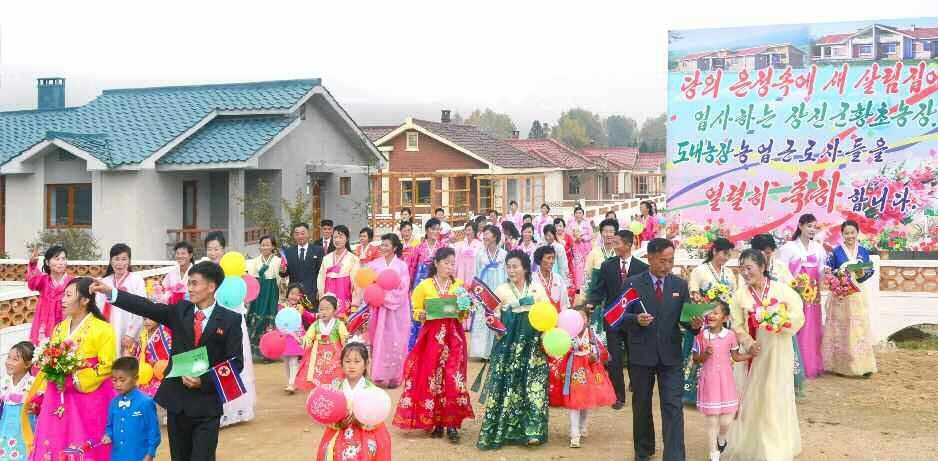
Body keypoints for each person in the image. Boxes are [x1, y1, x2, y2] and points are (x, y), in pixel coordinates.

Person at [90, 261, 244, 461]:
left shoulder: (230, 320)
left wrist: (203, 381)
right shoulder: (181, 311)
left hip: (207, 405)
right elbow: (146, 306)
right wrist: (112, 293)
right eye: (188, 282)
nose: (189, 288)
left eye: (195, 283)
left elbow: (235, 363)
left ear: (211, 286)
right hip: (177, 402)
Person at [621, 238, 700, 461]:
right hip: (641, 355)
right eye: (663, 261)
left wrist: (693, 324)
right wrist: (636, 319)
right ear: (650, 258)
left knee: (673, 407)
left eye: (671, 261)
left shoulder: (679, 285)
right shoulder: (632, 283)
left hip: (671, 355)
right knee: (642, 406)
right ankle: (643, 450)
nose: (667, 266)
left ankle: (674, 455)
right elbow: (616, 318)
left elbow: (685, 321)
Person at [725, 249, 805, 461]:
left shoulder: (783, 291)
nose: (745, 273)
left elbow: (798, 314)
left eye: (749, 268)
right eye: (742, 269)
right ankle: (753, 444)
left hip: (778, 351)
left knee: (775, 395)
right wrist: (748, 343)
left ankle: (774, 447)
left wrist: (783, 323)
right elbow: (737, 325)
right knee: (753, 397)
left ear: (762, 267)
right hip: (754, 354)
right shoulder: (739, 295)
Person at [28, 277, 116, 461]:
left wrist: (74, 379)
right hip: (57, 393)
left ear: (84, 300)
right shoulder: (59, 328)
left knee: (83, 441)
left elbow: (107, 365)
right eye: (63, 295)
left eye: (68, 295)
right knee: (54, 440)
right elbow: (51, 360)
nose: (63, 299)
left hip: (87, 396)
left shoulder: (104, 329)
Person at [393, 248, 474, 443]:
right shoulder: (424, 285)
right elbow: (416, 309)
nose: (449, 266)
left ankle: (452, 424)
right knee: (433, 377)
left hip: (454, 337)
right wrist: (420, 314)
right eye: (446, 262)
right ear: (436, 263)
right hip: (432, 336)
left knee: (453, 377)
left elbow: (464, 313)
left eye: (452, 263)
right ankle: (436, 421)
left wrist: (466, 308)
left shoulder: (460, 286)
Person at [476, 250, 551, 450]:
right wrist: (503, 319)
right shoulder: (501, 290)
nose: (511, 270)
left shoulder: (536, 288)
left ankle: (532, 431)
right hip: (509, 345)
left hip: (533, 345)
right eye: (508, 267)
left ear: (525, 268)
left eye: (515, 266)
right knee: (507, 385)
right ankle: (504, 430)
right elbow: (491, 316)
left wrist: (545, 337)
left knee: (534, 385)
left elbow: (548, 313)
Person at [587, 229, 649, 410]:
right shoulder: (607, 266)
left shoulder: (642, 268)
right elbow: (598, 289)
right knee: (613, 357)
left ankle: (637, 387)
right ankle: (618, 396)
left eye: (617, 243)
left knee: (634, 355)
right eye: (613, 243)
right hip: (613, 317)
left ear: (628, 245)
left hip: (634, 319)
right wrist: (592, 303)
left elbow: (645, 295)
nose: (614, 247)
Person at [746, 233, 804, 398]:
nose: (765, 255)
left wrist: (798, 289)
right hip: (758, 321)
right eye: (761, 251)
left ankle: (781, 388)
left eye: (769, 252)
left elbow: (792, 287)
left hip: (780, 319)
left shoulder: (779, 267)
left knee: (781, 355)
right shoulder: (749, 269)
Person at [692, 300, 751, 461]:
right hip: (709, 381)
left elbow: (736, 356)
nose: (711, 315)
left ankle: (722, 438)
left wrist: (752, 354)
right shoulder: (700, 335)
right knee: (712, 421)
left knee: (726, 419)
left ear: (725, 318)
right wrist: (705, 355)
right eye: (709, 312)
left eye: (716, 313)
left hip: (726, 381)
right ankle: (713, 454)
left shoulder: (730, 335)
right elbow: (696, 358)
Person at [315, 343, 392, 461]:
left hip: (366, 432)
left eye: (357, 361)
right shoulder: (335, 388)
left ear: (366, 364)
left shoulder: (372, 390)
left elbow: (378, 416)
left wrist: (361, 420)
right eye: (347, 361)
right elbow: (327, 413)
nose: (352, 366)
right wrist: (338, 423)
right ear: (341, 364)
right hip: (339, 430)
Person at [684, 238, 736, 404]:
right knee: (701, 354)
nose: (726, 258)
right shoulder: (700, 270)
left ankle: (717, 391)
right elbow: (693, 293)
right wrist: (705, 303)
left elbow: (734, 294)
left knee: (719, 356)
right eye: (724, 253)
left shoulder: (728, 273)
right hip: (703, 319)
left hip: (722, 320)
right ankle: (692, 392)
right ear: (714, 251)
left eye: (729, 255)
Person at [823, 220, 877, 377]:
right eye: (846, 233)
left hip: (857, 293)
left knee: (859, 328)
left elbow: (869, 270)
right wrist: (838, 274)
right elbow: (828, 270)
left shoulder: (864, 251)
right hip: (840, 295)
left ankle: (863, 365)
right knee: (840, 329)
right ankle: (840, 365)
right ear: (842, 234)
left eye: (852, 232)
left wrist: (862, 273)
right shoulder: (835, 252)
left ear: (857, 233)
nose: (850, 236)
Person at [776, 213, 827, 379]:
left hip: (812, 295)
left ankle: (811, 364)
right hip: (794, 293)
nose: (812, 230)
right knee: (796, 325)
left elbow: (821, 272)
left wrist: (824, 277)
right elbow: (781, 271)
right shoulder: (788, 248)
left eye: (814, 227)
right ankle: (794, 366)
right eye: (809, 226)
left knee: (812, 327)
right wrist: (794, 286)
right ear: (800, 226)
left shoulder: (819, 248)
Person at [562, 306, 616, 449]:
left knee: (586, 400)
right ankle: (574, 434)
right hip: (574, 369)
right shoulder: (567, 334)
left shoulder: (591, 334)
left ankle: (582, 424)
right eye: (577, 317)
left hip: (590, 369)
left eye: (583, 317)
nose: (580, 320)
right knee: (575, 401)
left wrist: (595, 357)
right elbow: (561, 352)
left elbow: (602, 352)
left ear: (588, 319)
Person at [366, 234, 412, 389]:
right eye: (382, 245)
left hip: (397, 310)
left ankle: (395, 377)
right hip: (378, 309)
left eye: (386, 245)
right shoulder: (373, 265)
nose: (383, 248)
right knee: (378, 340)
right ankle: (378, 375)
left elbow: (404, 288)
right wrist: (374, 295)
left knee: (396, 342)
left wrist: (384, 296)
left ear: (394, 248)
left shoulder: (401, 266)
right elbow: (367, 283)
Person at [102, 357, 161, 461]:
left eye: (122, 380)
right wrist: (108, 435)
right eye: (114, 380)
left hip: (139, 456)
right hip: (117, 456)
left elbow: (153, 431)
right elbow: (109, 426)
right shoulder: (113, 403)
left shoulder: (145, 402)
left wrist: (150, 454)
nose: (117, 384)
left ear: (135, 378)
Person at [95, 243, 146, 358]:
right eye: (116, 259)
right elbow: (97, 308)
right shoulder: (105, 281)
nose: (120, 263)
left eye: (124, 259)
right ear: (111, 261)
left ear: (129, 261)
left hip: (128, 329)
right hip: (108, 329)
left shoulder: (136, 280)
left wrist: (131, 334)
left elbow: (141, 309)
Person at [294, 295, 347, 392]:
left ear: (335, 310)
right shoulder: (315, 324)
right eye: (321, 309)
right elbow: (308, 337)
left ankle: (334, 394)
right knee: (317, 374)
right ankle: (318, 393)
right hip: (317, 354)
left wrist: (347, 349)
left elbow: (344, 339)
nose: (324, 312)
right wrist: (303, 341)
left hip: (335, 354)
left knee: (335, 373)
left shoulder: (339, 324)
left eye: (327, 309)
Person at [408, 218, 447, 349]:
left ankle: (435, 347)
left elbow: (447, 267)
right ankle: (416, 347)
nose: (435, 231)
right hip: (420, 285)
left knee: (435, 314)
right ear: (427, 230)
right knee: (419, 314)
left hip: (437, 284)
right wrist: (411, 285)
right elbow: (412, 267)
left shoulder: (442, 248)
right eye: (433, 228)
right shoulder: (418, 248)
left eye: (437, 229)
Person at [470, 225, 507, 360]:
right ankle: (482, 352)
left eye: (487, 234)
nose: (484, 236)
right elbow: (476, 272)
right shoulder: (480, 253)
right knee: (482, 317)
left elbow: (507, 273)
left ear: (495, 236)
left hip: (498, 289)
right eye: (484, 234)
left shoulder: (503, 254)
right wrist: (475, 292)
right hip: (484, 290)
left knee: (497, 316)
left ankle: (496, 350)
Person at [246, 235, 283, 360]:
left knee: (269, 319)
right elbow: (249, 278)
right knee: (256, 319)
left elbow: (281, 279)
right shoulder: (254, 262)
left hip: (271, 292)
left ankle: (270, 352)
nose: (265, 247)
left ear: (273, 246)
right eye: (263, 244)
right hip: (258, 293)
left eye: (268, 244)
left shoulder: (278, 261)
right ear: (259, 246)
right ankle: (257, 351)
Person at [27, 245, 73, 344]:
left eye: (63, 259)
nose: (60, 262)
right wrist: (33, 264)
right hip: (45, 324)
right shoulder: (43, 280)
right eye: (57, 259)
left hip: (66, 323)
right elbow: (32, 284)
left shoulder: (72, 282)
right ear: (47, 262)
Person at [0, 342, 34, 460]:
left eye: (15, 359)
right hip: (4, 431)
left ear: (28, 364)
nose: (9, 362)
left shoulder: (34, 384)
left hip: (25, 432)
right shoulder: (4, 382)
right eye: (8, 357)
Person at [317, 225, 360, 318]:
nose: (337, 240)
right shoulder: (326, 258)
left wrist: (355, 304)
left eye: (341, 237)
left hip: (344, 298)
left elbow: (356, 284)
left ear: (347, 239)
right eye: (335, 237)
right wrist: (321, 298)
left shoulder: (353, 258)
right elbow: (321, 280)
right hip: (328, 298)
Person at [584, 218, 619, 328]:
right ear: (601, 233)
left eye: (611, 231)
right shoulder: (594, 253)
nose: (608, 234)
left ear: (616, 234)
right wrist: (584, 299)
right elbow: (586, 278)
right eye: (605, 231)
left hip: (615, 300)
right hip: (596, 301)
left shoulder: (619, 254)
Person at [281, 223, 325, 301]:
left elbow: (321, 273)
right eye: (297, 234)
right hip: (294, 295)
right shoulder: (288, 252)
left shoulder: (318, 250)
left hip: (312, 293)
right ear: (294, 236)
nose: (300, 236)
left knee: (311, 313)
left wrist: (320, 290)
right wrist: (282, 270)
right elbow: (284, 273)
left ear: (308, 234)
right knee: (295, 313)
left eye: (302, 233)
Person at [280, 283, 310, 394]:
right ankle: (290, 381)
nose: (294, 296)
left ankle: (292, 382)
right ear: (288, 294)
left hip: (297, 337)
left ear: (301, 297)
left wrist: (317, 316)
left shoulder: (300, 308)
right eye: (292, 293)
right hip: (284, 337)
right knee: (286, 361)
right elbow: (279, 321)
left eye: (298, 294)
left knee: (293, 360)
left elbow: (309, 316)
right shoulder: (282, 306)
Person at [138, 315, 171, 398]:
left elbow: (169, 351)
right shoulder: (143, 334)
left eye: (150, 318)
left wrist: (157, 362)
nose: (147, 321)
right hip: (146, 373)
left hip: (160, 371)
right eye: (144, 319)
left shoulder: (165, 333)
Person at [569, 206, 594, 297]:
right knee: (577, 267)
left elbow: (591, 235)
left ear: (583, 214)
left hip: (586, 248)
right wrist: (575, 239)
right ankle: (578, 287)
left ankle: (586, 286)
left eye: (580, 213)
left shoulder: (587, 224)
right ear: (574, 214)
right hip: (576, 248)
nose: (578, 215)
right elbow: (569, 235)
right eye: (577, 213)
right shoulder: (571, 225)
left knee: (586, 266)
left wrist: (583, 238)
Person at [555, 218, 577, 304]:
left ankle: (569, 303)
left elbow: (573, 250)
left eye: (560, 226)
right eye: (556, 226)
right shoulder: (553, 237)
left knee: (569, 284)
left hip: (568, 265)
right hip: (556, 266)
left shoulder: (568, 237)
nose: (558, 228)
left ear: (564, 227)